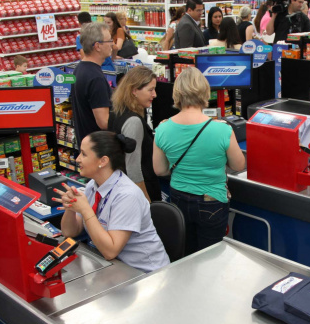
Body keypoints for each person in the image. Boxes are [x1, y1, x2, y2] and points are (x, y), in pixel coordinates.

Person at [153, 67, 245, 254]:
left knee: (185, 253)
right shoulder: (222, 129)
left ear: (177, 92)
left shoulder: (162, 128)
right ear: (204, 91)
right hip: (212, 201)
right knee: (210, 257)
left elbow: (160, 170)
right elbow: (238, 165)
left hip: (178, 198)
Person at [56, 132, 169, 272]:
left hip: (144, 273)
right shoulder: (93, 186)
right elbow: (69, 232)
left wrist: (85, 210)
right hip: (114, 268)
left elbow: (110, 251)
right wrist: (70, 207)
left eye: (84, 154)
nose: (78, 159)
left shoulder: (127, 195)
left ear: (103, 161)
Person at [108, 66, 161, 202]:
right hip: (141, 190)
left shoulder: (116, 113)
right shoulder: (133, 122)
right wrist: (147, 201)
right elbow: (133, 168)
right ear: (134, 91)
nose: (154, 95)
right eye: (150, 90)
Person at [70, 22, 112, 147]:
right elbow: (104, 122)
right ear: (97, 46)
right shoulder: (95, 78)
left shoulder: (79, 69)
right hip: (98, 148)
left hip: (86, 144)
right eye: (109, 41)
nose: (112, 44)